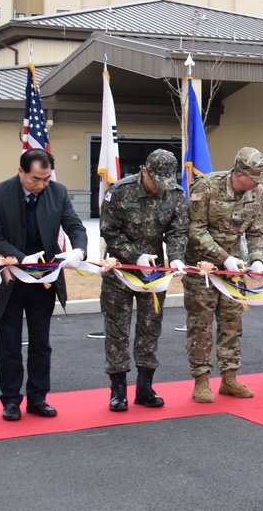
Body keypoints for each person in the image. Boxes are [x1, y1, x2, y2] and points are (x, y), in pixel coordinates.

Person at [0, 148, 89, 421]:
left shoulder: (57, 192)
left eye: (46, 178)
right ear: (21, 172)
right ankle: (10, 401)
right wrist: (20, 258)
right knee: (9, 343)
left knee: (41, 342)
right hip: (9, 280)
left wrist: (78, 251)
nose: (41, 185)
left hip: (43, 280)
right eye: (35, 179)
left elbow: (75, 227)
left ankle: (38, 398)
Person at [99, 149, 189, 412]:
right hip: (121, 271)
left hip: (154, 276)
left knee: (150, 328)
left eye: (165, 184)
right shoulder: (120, 191)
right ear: (145, 171)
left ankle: (145, 387)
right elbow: (109, 230)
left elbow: (178, 230)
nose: (159, 189)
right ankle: (118, 390)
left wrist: (175, 258)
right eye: (155, 183)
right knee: (118, 330)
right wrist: (135, 256)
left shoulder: (174, 193)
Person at [184, 147, 263, 403]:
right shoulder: (207, 187)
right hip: (203, 267)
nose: (258, 182)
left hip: (233, 270)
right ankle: (201, 380)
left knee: (232, 322)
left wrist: (256, 258)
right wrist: (225, 258)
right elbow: (195, 231)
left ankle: (229, 377)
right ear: (241, 174)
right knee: (201, 324)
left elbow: (258, 230)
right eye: (255, 177)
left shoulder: (257, 192)